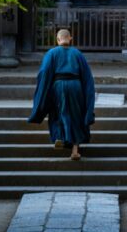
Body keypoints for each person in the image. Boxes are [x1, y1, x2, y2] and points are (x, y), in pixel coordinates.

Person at [28, 29, 96, 160]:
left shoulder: (51, 53)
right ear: (70, 38)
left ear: (58, 39)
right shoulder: (77, 54)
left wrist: (43, 94)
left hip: (58, 86)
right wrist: (88, 96)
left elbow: (44, 73)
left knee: (58, 111)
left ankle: (59, 137)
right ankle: (75, 151)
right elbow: (87, 77)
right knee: (76, 115)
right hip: (76, 85)